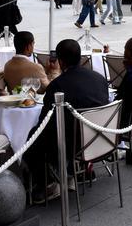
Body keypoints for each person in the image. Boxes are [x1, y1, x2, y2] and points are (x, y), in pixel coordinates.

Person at [24, 38, 109, 202]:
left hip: (75, 144)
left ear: (60, 61)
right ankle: (77, 172)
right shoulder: (99, 78)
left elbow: (45, 122)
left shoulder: (57, 86)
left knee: (34, 136)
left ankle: (47, 184)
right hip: (102, 138)